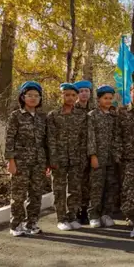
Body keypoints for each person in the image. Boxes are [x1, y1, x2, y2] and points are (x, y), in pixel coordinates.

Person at [5, 81, 49, 237]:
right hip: (20, 162)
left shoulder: (42, 117)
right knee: (18, 195)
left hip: (39, 162)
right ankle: (16, 225)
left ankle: (31, 223)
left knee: (36, 194)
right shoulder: (15, 116)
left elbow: (46, 141)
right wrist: (10, 161)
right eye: (29, 95)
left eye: (36, 95)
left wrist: (48, 162)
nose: (33, 98)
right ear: (23, 97)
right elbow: (9, 139)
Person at [47, 83, 87, 231]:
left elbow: (84, 138)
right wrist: (52, 159)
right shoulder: (53, 115)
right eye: (67, 94)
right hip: (59, 158)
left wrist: (83, 158)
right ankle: (61, 218)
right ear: (61, 96)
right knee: (59, 189)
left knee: (75, 189)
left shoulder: (81, 115)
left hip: (76, 158)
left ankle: (72, 216)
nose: (70, 98)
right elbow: (50, 139)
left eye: (73, 95)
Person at [87, 85, 120, 228]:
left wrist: (117, 154)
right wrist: (93, 155)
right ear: (98, 99)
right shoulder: (92, 115)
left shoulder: (114, 116)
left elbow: (117, 136)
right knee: (96, 186)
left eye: (110, 98)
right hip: (98, 157)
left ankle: (106, 214)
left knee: (110, 186)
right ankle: (94, 215)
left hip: (112, 157)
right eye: (105, 98)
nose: (108, 101)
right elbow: (90, 137)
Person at [73, 80, 95, 225]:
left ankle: (84, 210)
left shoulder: (93, 110)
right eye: (81, 91)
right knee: (76, 184)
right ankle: (75, 211)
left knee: (88, 184)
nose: (84, 93)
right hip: (76, 153)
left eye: (86, 91)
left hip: (91, 152)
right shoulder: (71, 110)